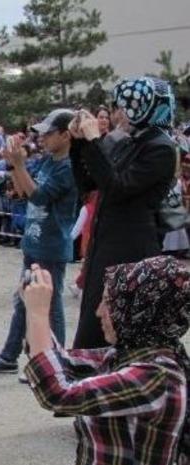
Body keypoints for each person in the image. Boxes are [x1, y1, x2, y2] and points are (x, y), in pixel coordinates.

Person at [21, 256, 190, 465]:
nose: (99, 312)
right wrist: (33, 304)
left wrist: (39, 314)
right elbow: (60, 361)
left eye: (108, 303)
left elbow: (57, 393)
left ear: (138, 310)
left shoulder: (157, 376)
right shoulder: (129, 354)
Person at [70, 77, 178, 349]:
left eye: (124, 107)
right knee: (92, 324)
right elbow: (90, 184)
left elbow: (117, 188)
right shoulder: (130, 141)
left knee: (110, 330)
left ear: (145, 108)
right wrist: (79, 144)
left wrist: (95, 142)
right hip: (106, 245)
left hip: (130, 252)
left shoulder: (160, 148)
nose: (118, 115)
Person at [0, 110, 78, 374]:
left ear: (66, 135)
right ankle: (10, 356)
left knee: (50, 305)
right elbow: (23, 192)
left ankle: (55, 362)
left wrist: (18, 165)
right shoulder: (48, 161)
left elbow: (40, 197)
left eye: (49, 133)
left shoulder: (68, 167)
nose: (42, 139)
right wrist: (12, 163)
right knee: (24, 300)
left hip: (51, 245)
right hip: (34, 242)